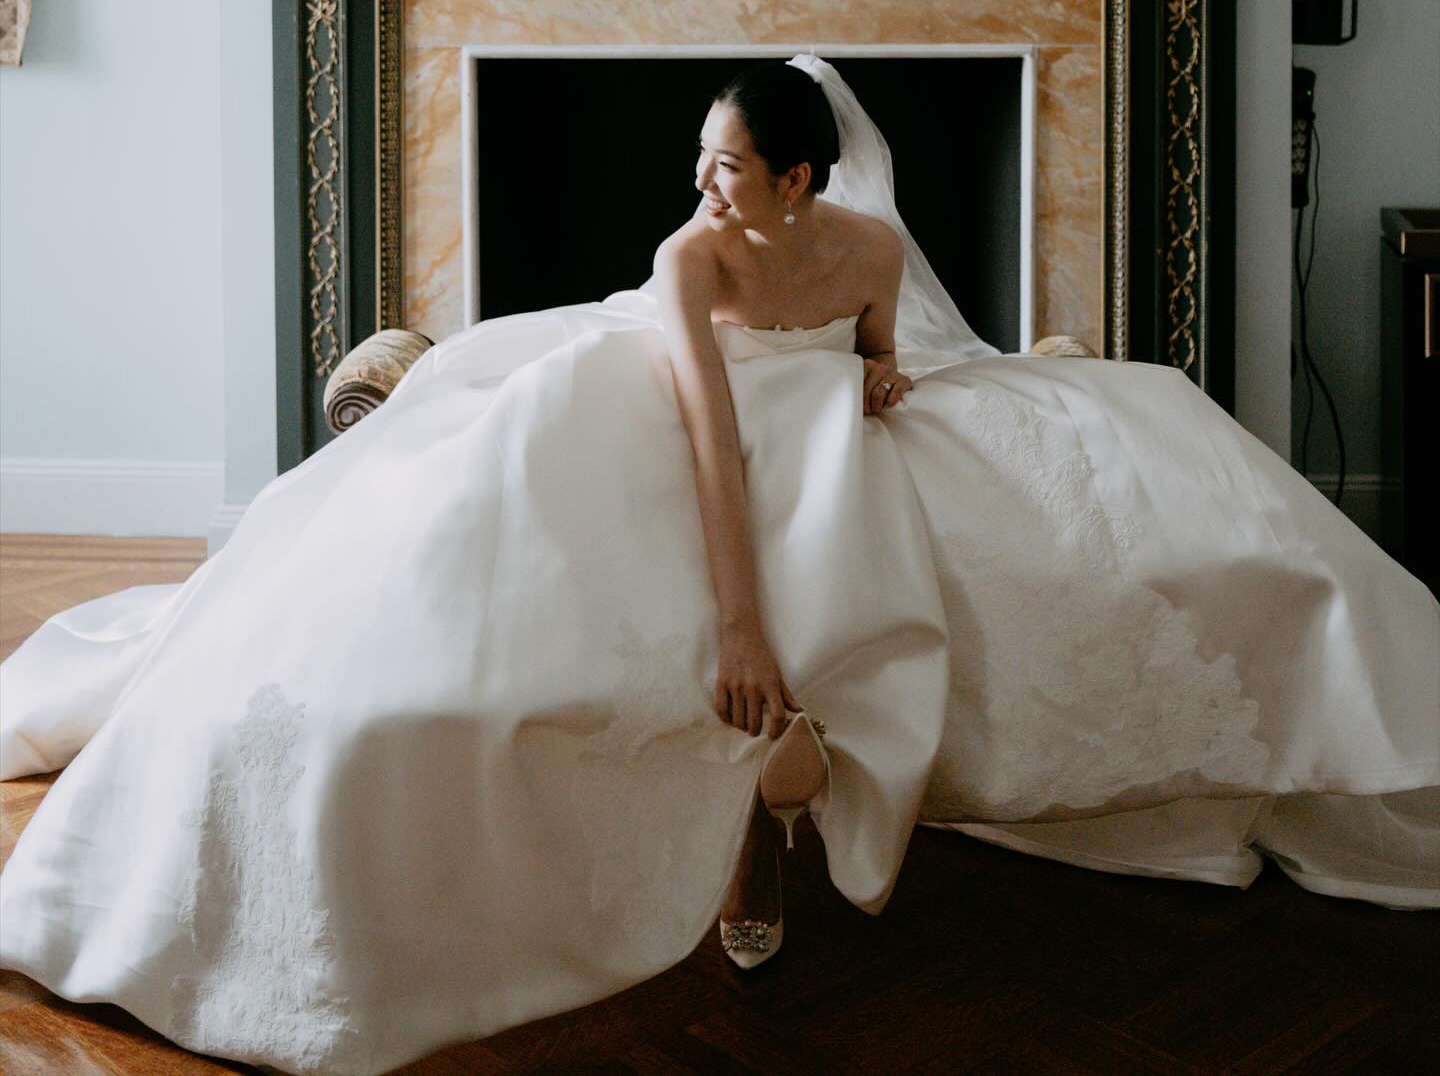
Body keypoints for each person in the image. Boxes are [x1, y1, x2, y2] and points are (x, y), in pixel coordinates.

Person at [1, 56, 1436, 1076]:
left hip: (809, 428)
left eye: (728, 165)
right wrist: (738, 626)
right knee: (455, 567)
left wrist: (878, 389)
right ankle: (718, 799)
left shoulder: (866, 249)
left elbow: (883, 360)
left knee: (1129, 458)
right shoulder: (692, 261)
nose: (700, 181)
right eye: (698, 157)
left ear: (802, 179)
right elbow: (708, 446)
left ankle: (780, 810)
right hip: (651, 413)